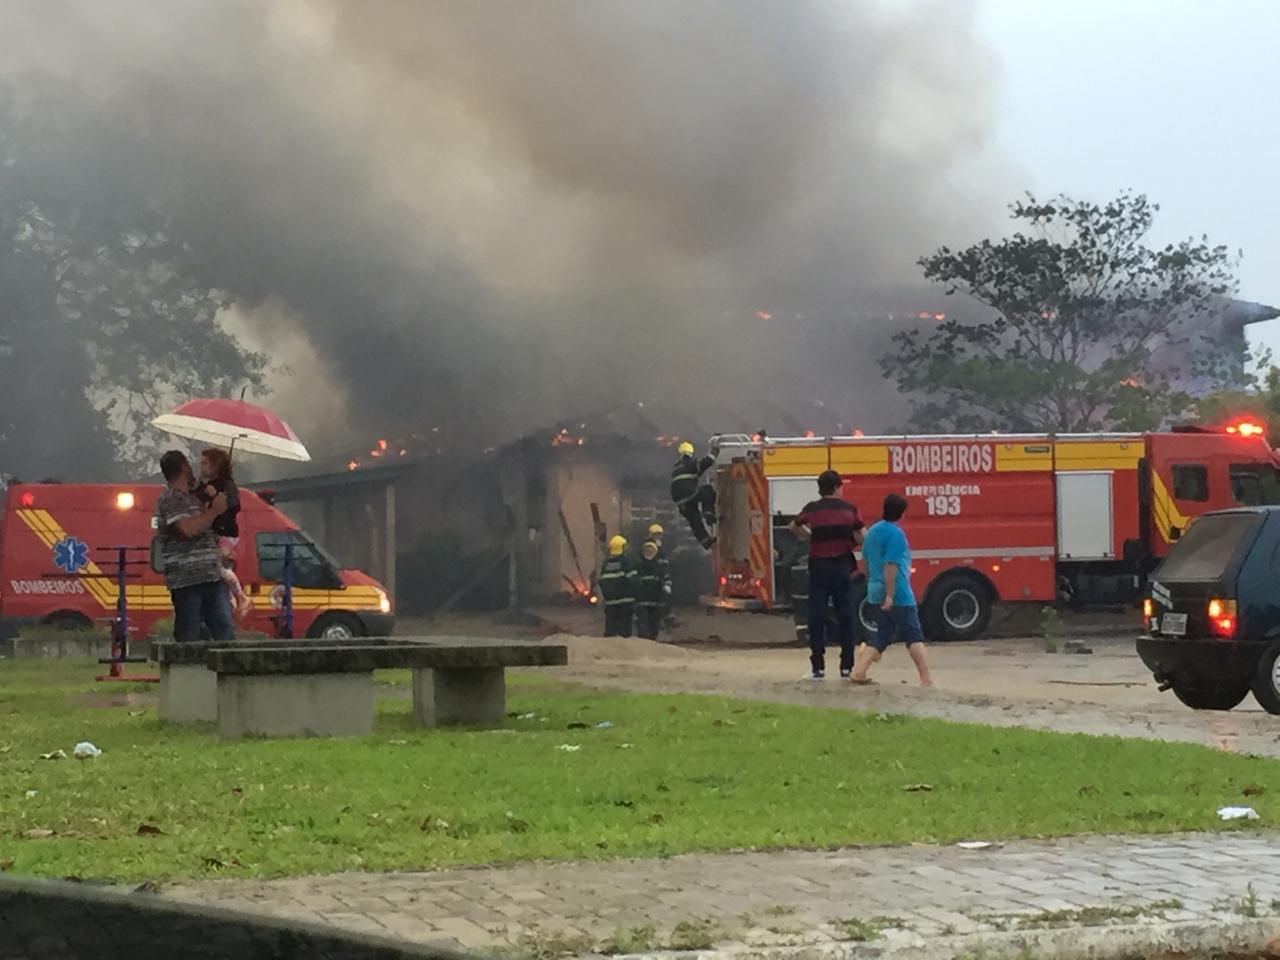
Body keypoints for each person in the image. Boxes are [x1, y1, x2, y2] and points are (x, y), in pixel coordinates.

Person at [154, 450, 237, 643]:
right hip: (186, 581)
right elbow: (187, 529)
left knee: (224, 629)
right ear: (184, 467)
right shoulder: (170, 499)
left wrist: (218, 499)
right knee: (189, 633)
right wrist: (212, 512)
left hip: (211, 575)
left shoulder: (198, 495)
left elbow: (217, 523)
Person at [851, 493, 932, 686]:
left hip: (874, 589)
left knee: (882, 634)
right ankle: (926, 679)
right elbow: (891, 564)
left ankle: (859, 672)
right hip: (898, 592)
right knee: (914, 635)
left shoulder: (873, 532)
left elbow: (867, 560)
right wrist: (890, 594)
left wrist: (875, 587)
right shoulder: (896, 535)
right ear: (902, 514)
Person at [789, 469, 863, 680]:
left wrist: (810, 537)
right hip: (842, 568)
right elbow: (861, 534)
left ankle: (818, 667)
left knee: (817, 616)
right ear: (837, 487)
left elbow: (793, 525)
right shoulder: (849, 509)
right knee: (845, 616)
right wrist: (851, 542)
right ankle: (846, 666)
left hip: (819, 568)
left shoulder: (812, 509)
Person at [197, 448, 252, 619]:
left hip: (226, 533)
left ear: (216, 465)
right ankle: (231, 604)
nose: (201, 466)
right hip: (211, 533)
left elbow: (234, 506)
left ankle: (241, 597)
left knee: (215, 565)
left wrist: (218, 497)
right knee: (215, 571)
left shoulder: (228, 485)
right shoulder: (206, 486)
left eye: (205, 463)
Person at [670, 441, 716, 549]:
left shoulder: (676, 469)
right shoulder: (691, 463)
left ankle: (706, 542)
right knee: (707, 490)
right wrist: (714, 452)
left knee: (695, 521)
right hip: (689, 493)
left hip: (680, 501)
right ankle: (708, 513)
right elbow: (706, 462)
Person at [597, 534, 638, 637]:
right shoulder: (625, 561)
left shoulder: (606, 563)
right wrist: (635, 593)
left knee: (610, 630)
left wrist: (607, 596)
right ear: (622, 547)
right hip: (625, 602)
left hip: (611, 603)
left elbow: (601, 581)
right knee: (625, 631)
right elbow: (634, 580)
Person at [635, 538, 671, 640]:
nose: (649, 552)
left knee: (654, 623)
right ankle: (644, 642)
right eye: (647, 550)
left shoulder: (659, 565)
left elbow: (665, 577)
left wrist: (667, 585)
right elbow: (633, 580)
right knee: (643, 623)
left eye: (651, 550)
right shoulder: (638, 565)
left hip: (656, 600)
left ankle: (652, 641)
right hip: (642, 600)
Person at [647, 522, 675, 627]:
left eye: (659, 535)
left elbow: (664, 566)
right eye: (656, 535)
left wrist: (667, 581)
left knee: (665, 597)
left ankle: (666, 619)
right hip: (651, 581)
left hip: (660, 580)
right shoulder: (647, 549)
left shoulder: (662, 549)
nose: (658, 537)